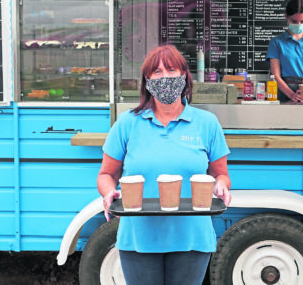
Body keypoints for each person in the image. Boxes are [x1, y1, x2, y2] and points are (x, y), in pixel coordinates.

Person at [97, 44, 232, 285]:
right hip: (138, 237)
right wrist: (109, 194)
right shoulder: (127, 123)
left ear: (184, 76)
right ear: (147, 80)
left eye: (171, 70)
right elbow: (106, 174)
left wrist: (221, 187)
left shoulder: (207, 123)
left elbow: (221, 174)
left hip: (192, 238)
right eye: (157, 72)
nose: (165, 77)